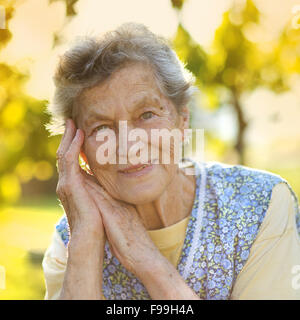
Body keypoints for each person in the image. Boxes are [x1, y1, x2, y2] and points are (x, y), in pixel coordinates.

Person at [42, 22, 300, 300]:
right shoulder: (69, 239)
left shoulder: (261, 203)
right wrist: (84, 246)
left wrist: (148, 261)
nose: (130, 146)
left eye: (147, 115)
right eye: (101, 128)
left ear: (182, 121)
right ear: (78, 151)